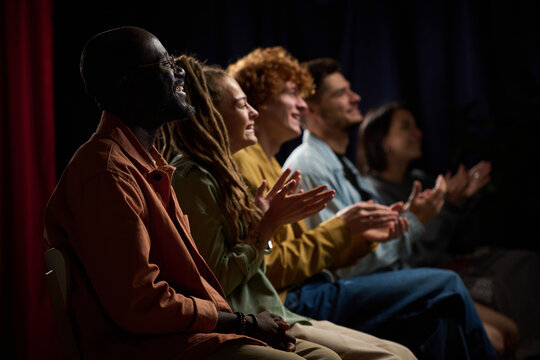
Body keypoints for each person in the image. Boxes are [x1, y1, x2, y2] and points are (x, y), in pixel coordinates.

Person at [43, 26, 344, 360]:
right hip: (157, 346)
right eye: (164, 65)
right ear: (129, 88)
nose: (180, 71)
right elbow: (141, 305)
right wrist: (245, 321)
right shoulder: (109, 174)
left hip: (195, 330)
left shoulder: (147, 165)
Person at [230, 48, 498, 359]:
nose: (301, 105)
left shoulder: (278, 165)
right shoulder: (294, 165)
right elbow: (277, 267)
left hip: (311, 287)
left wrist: (367, 236)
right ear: (259, 100)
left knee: (441, 323)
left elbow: (309, 252)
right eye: (294, 94)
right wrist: (366, 230)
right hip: (296, 298)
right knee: (448, 285)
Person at [163, 55, 417, 360]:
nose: (302, 105)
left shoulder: (238, 168)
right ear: (213, 115)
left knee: (405, 347)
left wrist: (358, 238)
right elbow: (245, 273)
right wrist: (274, 224)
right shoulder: (203, 175)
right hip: (271, 306)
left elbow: (264, 259)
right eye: (244, 105)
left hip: (277, 303)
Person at [360, 101, 540, 359]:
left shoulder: (419, 178)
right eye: (405, 127)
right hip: (421, 277)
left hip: (448, 267)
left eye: (416, 126)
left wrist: (462, 201)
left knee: (525, 268)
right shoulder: (371, 192)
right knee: (501, 333)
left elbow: (454, 240)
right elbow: (409, 255)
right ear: (382, 141)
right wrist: (448, 206)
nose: (418, 133)